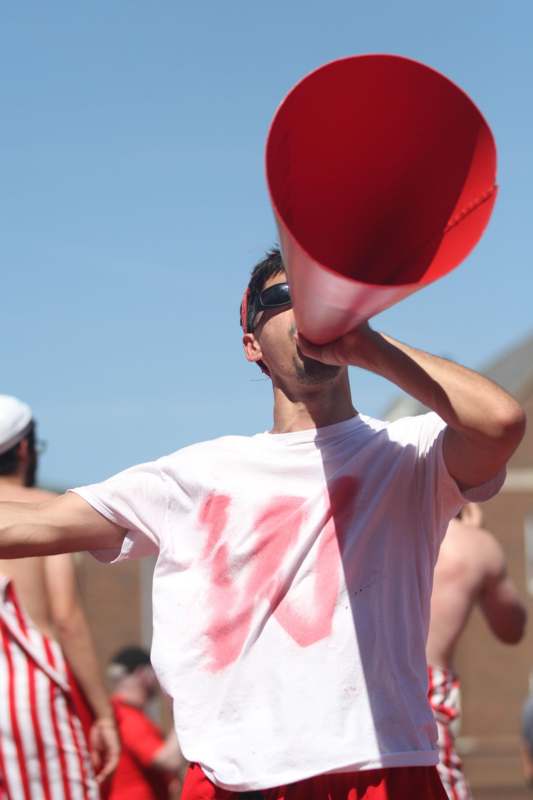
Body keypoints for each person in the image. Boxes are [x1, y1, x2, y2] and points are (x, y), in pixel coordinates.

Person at [0, 249, 526, 799]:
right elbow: (33, 522)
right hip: (237, 778)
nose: (310, 313)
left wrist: (363, 341)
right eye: (285, 299)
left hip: (386, 766)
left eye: (322, 301)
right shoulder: (196, 474)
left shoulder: (407, 453)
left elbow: (501, 423)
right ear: (252, 344)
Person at [0, 394, 120, 798]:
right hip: (27, 692)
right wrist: (104, 714)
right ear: (24, 448)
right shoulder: (45, 511)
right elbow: (66, 618)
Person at [426, 503, 527, 799]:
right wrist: (477, 538)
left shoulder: (380, 529)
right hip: (425, 698)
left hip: (357, 694)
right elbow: (513, 628)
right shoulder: (471, 545)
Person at [103, 646, 187, 799]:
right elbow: (168, 760)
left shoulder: (121, 714)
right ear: (142, 674)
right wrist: (183, 710)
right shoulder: (125, 716)